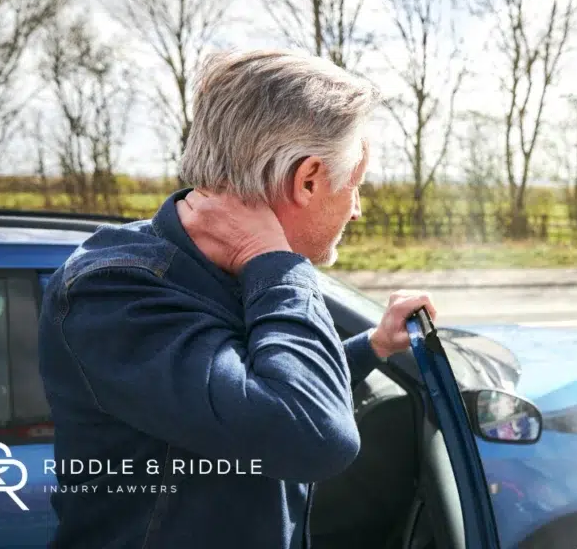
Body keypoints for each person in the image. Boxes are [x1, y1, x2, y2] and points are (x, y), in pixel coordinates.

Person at [37, 49, 437, 549]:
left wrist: (371, 347)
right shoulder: (116, 292)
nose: (356, 210)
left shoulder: (217, 268)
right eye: (354, 185)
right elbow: (311, 434)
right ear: (307, 179)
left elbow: (253, 392)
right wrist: (274, 259)